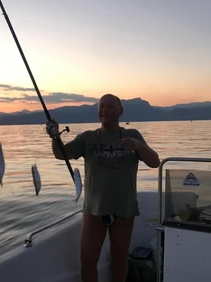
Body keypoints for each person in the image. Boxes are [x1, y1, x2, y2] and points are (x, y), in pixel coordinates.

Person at [46, 93, 160, 282]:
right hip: (94, 210)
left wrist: (138, 146)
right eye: (101, 106)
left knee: (120, 258)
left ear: (121, 111)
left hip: (124, 210)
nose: (105, 110)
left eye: (110, 106)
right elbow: (61, 154)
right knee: (88, 260)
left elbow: (155, 162)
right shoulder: (87, 138)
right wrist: (54, 136)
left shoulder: (132, 135)